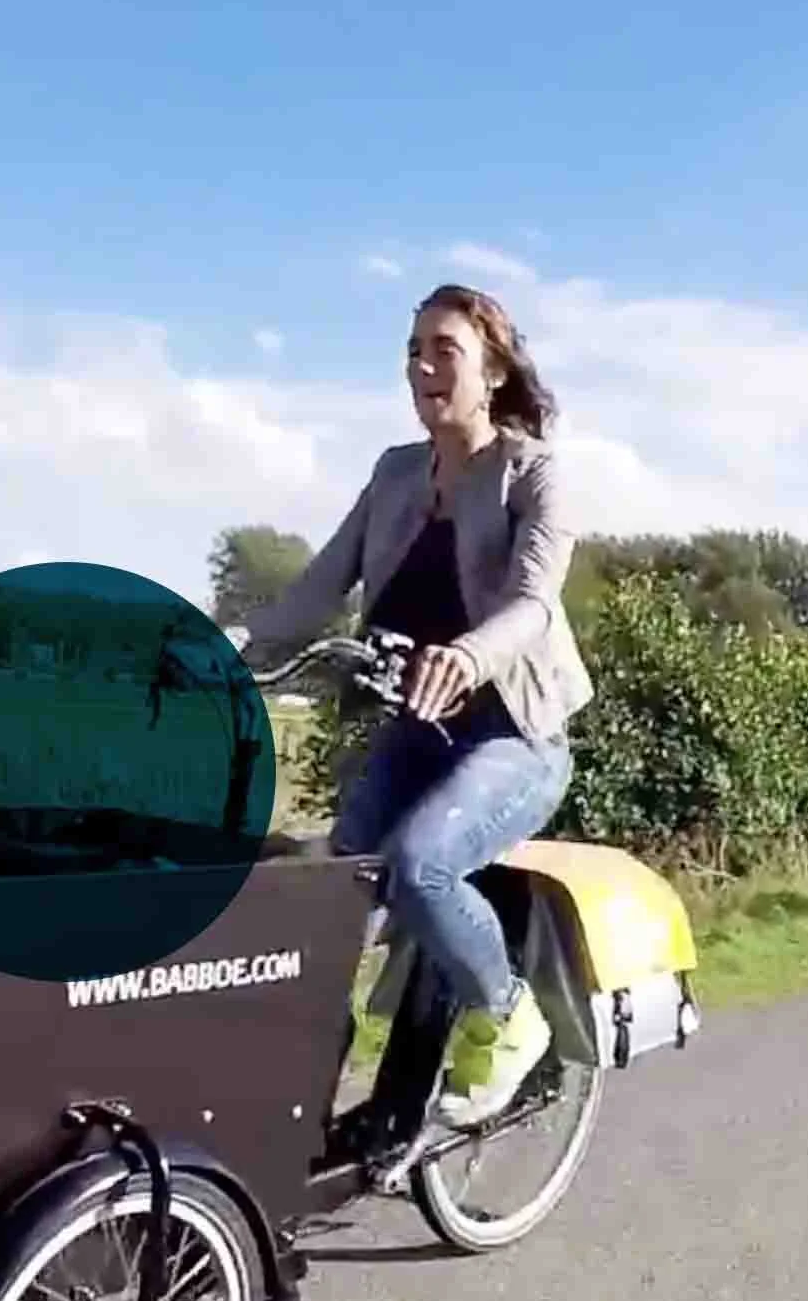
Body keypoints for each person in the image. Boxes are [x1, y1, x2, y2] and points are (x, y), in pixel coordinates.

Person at [225, 283, 592, 1128]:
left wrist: (468, 656)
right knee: (330, 897)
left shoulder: (534, 475)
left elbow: (533, 604)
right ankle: (300, 1102)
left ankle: (507, 1015)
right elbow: (320, 586)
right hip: (420, 731)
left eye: (444, 350)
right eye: (413, 351)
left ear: (493, 371)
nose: (423, 367)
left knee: (420, 865)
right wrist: (232, 643)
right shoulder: (395, 473)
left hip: (514, 736)